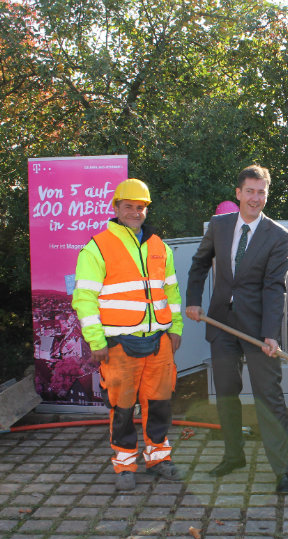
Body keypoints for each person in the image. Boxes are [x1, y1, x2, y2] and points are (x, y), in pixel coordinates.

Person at [185, 165, 288, 495]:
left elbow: (275, 288)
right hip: (221, 323)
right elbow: (200, 263)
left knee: (269, 395)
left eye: (261, 192)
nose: (255, 198)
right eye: (250, 191)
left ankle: (282, 471)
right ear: (238, 193)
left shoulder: (277, 235)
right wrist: (193, 300)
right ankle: (234, 456)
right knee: (227, 391)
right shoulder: (219, 226)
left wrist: (271, 334)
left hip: (258, 329)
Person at [72, 178, 183, 492]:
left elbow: (172, 291)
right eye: (130, 206)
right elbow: (84, 298)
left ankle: (159, 459)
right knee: (122, 408)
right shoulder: (97, 247)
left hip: (158, 340)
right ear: (117, 208)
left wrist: (175, 327)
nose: (136, 212)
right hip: (119, 342)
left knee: (159, 403)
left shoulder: (159, 246)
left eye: (141, 207)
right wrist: (95, 340)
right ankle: (124, 465)